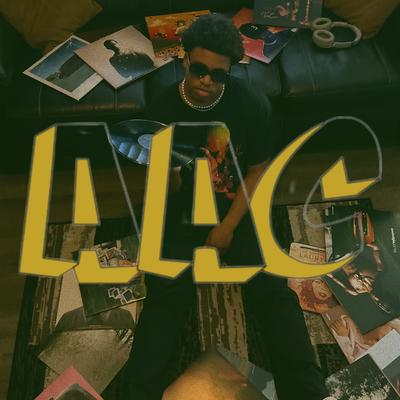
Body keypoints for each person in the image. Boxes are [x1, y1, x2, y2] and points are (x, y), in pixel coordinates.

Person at [125, 14, 336, 400]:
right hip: (180, 206)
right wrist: (168, 170)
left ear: (230, 71)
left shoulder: (252, 104)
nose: (207, 81)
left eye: (218, 74)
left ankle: (309, 391)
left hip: (234, 201)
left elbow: (257, 172)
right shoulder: (161, 107)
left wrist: (228, 226)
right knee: (166, 294)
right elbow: (162, 185)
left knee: (271, 290)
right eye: (199, 69)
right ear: (185, 59)